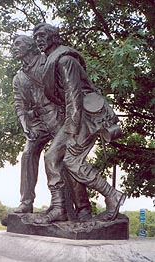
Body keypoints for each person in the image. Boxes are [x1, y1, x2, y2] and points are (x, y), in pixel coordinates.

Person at [33, 23, 126, 224]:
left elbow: (73, 95)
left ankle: (112, 196)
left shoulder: (65, 60)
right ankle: (61, 207)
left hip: (83, 117)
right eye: (36, 36)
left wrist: (72, 129)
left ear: (54, 37)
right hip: (77, 117)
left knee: (65, 159)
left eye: (42, 35)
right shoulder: (53, 59)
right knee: (58, 159)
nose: (38, 39)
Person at [12, 35, 92, 221]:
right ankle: (26, 202)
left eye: (18, 44)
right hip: (37, 121)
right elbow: (20, 106)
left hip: (58, 116)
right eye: (13, 45)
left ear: (31, 46)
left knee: (65, 157)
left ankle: (83, 207)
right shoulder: (18, 78)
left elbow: (69, 89)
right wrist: (26, 127)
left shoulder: (49, 62)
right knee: (28, 152)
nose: (14, 48)